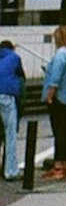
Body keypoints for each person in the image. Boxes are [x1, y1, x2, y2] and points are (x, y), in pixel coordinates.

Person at [41, 24, 66, 181]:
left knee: (59, 132)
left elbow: (55, 78)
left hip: (59, 98)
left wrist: (50, 96)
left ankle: (58, 167)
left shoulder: (60, 55)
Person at [0, 39, 26, 181]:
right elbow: (22, 77)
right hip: (7, 97)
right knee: (10, 134)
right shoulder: (15, 58)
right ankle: (10, 171)